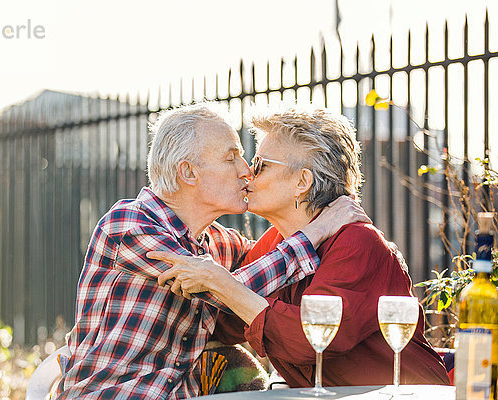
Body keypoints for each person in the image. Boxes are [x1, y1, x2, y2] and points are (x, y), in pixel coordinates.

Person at [53, 104, 369, 399]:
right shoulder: (130, 226)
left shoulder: (214, 243)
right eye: (231, 157)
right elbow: (228, 292)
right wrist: (315, 231)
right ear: (188, 173)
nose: (247, 171)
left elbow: (254, 271)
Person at [149, 107, 450, 388]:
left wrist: (218, 281)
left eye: (260, 164)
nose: (248, 174)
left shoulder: (357, 243)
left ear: (302, 181)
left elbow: (307, 338)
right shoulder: (274, 244)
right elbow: (224, 322)